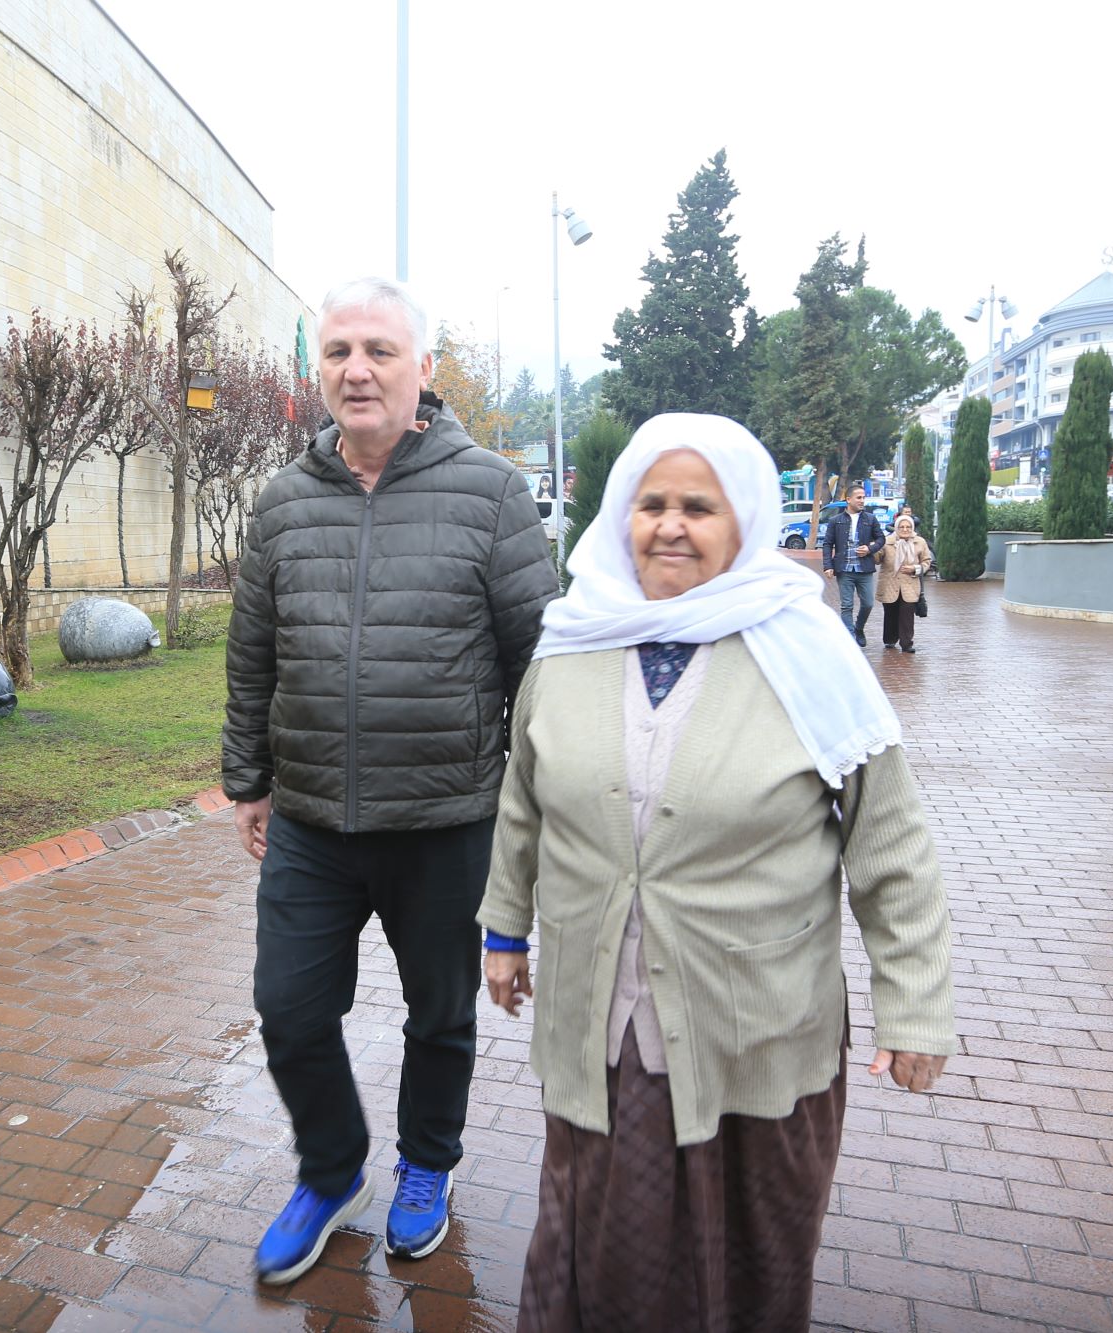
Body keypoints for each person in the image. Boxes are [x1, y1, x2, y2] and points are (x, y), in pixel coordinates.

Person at [478, 413, 956, 1330]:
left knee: (750, 1262)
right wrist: (504, 933)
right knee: (594, 1252)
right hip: (601, 1023)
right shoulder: (572, 639)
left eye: (698, 506)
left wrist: (916, 1006)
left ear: (744, 519)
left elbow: (891, 843)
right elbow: (523, 803)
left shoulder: (809, 652)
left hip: (756, 1028)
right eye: (650, 502)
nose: (670, 524)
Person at [223, 276, 560, 1285]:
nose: (356, 370)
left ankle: (427, 1165)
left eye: (378, 350)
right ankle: (331, 1172)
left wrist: (535, 806)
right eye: (338, 352)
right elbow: (252, 653)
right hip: (311, 820)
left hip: (446, 819)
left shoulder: (490, 493)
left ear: (423, 367)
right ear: (318, 371)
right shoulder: (284, 502)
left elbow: (539, 663)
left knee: (440, 1015)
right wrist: (248, 777)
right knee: (288, 1009)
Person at [820, 484, 887, 644]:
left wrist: (870, 549)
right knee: (847, 605)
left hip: (865, 568)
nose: (862, 500)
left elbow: (881, 539)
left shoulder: (870, 519)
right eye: (859, 497)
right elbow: (827, 544)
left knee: (868, 603)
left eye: (863, 497)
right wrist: (828, 566)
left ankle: (859, 628)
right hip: (844, 569)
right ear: (848, 499)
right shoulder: (835, 520)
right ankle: (849, 639)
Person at [878, 512, 933, 654]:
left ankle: (906, 643)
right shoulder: (886, 541)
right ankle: (890, 639)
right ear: (896, 527)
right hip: (890, 583)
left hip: (910, 584)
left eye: (908, 527)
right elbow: (877, 559)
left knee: (907, 614)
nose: (905, 529)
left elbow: (926, 561)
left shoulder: (919, 542)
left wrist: (915, 568)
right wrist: (873, 549)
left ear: (912, 527)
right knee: (890, 612)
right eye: (901, 527)